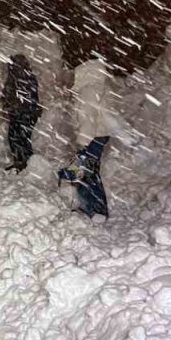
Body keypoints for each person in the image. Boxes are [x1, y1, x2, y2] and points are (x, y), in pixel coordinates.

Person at [58, 58, 118, 219]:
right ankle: (95, 207)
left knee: (87, 172)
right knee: (89, 170)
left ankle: (95, 209)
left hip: (92, 136)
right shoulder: (100, 87)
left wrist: (83, 143)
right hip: (100, 135)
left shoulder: (89, 90)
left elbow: (88, 118)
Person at [0, 54, 42, 173]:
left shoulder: (25, 77)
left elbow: (26, 97)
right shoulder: (17, 76)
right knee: (15, 138)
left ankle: (25, 163)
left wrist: (13, 104)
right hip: (20, 113)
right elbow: (9, 92)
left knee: (21, 139)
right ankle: (20, 162)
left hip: (25, 113)